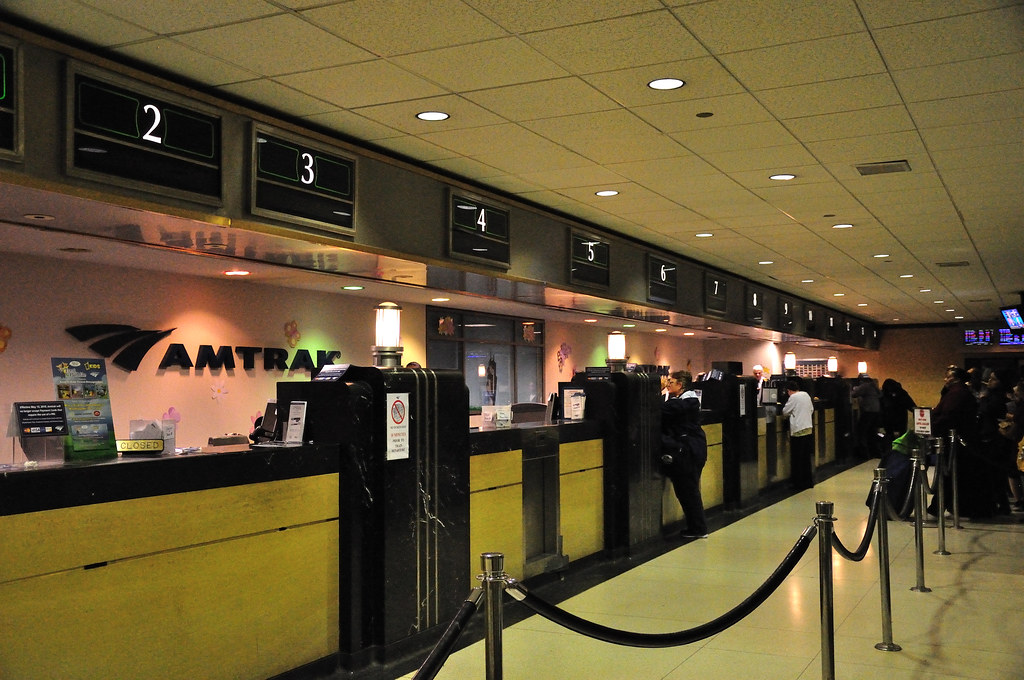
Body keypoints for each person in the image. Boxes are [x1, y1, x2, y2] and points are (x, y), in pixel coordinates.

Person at [931, 366, 987, 517]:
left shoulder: (956, 393)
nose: (945, 379)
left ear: (955, 378)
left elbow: (948, 416)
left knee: (950, 474)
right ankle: (953, 506)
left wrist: (933, 426)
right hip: (961, 438)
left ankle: (938, 507)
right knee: (956, 475)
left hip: (956, 440)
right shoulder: (960, 392)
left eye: (948, 376)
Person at [660, 371, 708, 538]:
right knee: (689, 490)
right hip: (695, 448)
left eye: (671, 382)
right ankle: (696, 526)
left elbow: (661, 409)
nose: (667, 385)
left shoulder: (685, 403)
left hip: (689, 450)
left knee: (688, 490)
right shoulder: (688, 401)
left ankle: (698, 528)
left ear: (680, 385)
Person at [782, 379, 815, 489]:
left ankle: (798, 483)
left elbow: (785, 411)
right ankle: (808, 482)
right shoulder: (806, 395)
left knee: (797, 458)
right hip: (808, 428)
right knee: (806, 457)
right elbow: (811, 409)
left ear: (789, 391)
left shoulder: (793, 397)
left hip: (798, 430)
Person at [852, 376, 882, 459]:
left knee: (861, 432)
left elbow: (854, 394)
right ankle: (875, 453)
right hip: (876, 412)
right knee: (872, 432)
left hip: (868, 411)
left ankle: (864, 454)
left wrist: (855, 388)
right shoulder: (874, 387)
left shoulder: (865, 386)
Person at [880, 378, 916, 443]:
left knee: (889, 435)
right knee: (902, 435)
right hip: (900, 418)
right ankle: (899, 448)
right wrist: (916, 412)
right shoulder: (901, 393)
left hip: (888, 419)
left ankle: (890, 449)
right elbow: (910, 405)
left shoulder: (884, 394)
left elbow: (881, 406)